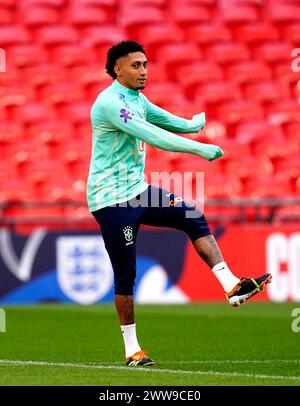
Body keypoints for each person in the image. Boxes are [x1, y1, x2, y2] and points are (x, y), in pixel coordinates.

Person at [86, 41, 272, 367]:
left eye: (145, 64)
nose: (143, 71)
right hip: (110, 199)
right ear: (117, 68)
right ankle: (133, 350)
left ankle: (231, 285)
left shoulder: (136, 99)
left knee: (192, 215)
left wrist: (192, 124)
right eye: (135, 65)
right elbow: (152, 134)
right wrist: (199, 149)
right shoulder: (110, 103)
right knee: (126, 274)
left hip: (137, 189)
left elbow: (164, 121)